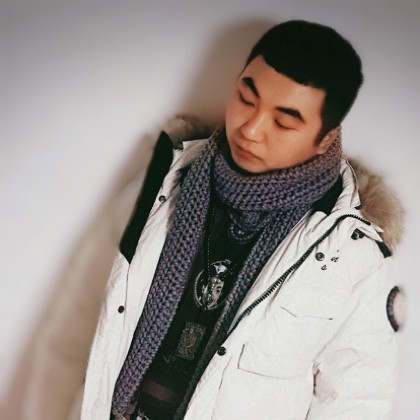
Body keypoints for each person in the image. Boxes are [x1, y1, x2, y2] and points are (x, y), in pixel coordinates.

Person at [81, 20, 404, 420]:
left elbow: (357, 401)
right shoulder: (165, 178)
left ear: (325, 138)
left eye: (283, 122)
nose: (250, 129)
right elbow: (83, 323)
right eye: (246, 99)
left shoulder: (349, 251)